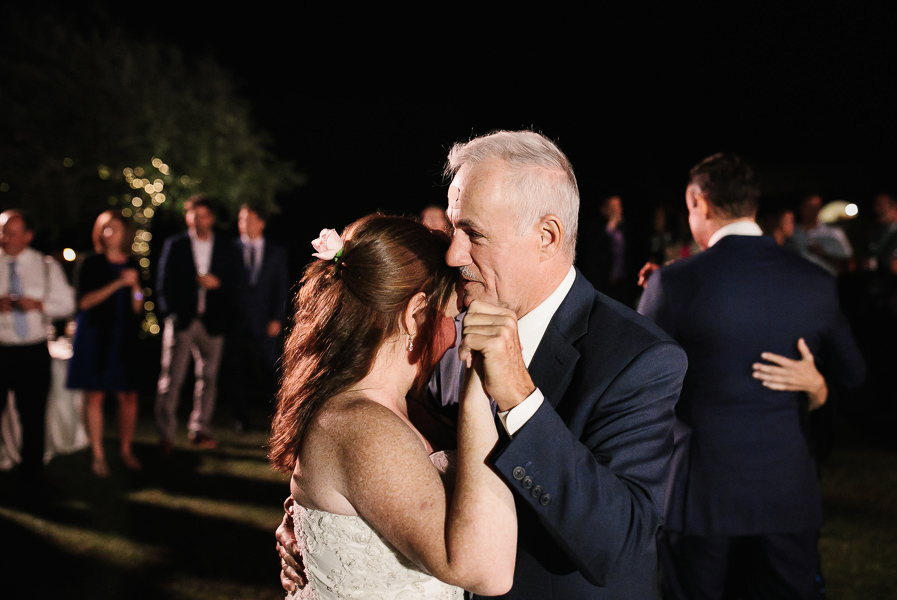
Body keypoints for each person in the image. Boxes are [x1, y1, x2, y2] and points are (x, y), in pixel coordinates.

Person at [278, 130, 688, 599]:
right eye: (455, 229)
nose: (454, 253)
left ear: (547, 236)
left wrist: (521, 399)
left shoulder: (638, 357)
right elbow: (377, 450)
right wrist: (317, 526)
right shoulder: (448, 325)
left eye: (473, 233)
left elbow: (621, 546)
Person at [637, 153, 867, 600]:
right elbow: (854, 374)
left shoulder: (676, 283)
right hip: (787, 493)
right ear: (753, 206)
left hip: (700, 496)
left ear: (699, 202)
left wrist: (649, 298)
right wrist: (817, 385)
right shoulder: (814, 281)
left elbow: (637, 379)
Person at [269, 214, 517, 599]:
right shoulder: (363, 425)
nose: (455, 337)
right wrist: (478, 391)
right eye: (452, 317)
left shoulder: (386, 412)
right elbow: (488, 573)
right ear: (415, 314)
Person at [154, 195, 239, 452]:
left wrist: (219, 284)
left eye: (203, 215)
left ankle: (200, 428)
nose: (198, 220)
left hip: (212, 321)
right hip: (183, 320)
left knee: (209, 377)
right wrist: (170, 313)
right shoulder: (176, 245)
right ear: (187, 216)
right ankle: (166, 435)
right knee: (172, 378)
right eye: (193, 215)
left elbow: (236, 281)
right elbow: (163, 281)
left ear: (211, 217)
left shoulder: (226, 247)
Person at [66, 210, 145, 477]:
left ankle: (125, 450)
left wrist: (135, 287)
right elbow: (84, 302)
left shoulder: (133, 263)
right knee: (96, 394)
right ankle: (98, 454)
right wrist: (116, 285)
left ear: (125, 233)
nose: (108, 233)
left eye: (114, 228)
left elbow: (138, 307)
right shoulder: (91, 263)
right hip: (96, 336)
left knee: (129, 396)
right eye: (104, 228)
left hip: (124, 338)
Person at [0, 209, 75, 484]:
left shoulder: (45, 266)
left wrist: (39, 305)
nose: (3, 237)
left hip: (31, 350)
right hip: (0, 348)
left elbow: (67, 303)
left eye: (10, 232)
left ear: (28, 236)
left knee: (32, 415)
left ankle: (32, 473)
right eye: (2, 231)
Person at [226, 203, 289, 432]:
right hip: (236, 321)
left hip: (265, 321)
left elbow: (281, 287)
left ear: (261, 222)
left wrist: (277, 318)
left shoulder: (276, 252)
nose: (245, 224)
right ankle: (240, 418)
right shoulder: (229, 249)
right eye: (241, 219)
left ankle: (280, 418)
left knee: (271, 370)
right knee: (236, 372)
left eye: (250, 219)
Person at [789, 193, 854, 275]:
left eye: (815, 207)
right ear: (801, 208)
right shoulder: (792, 233)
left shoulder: (834, 233)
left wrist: (823, 255)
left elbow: (848, 263)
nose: (812, 211)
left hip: (827, 280)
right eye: (808, 207)